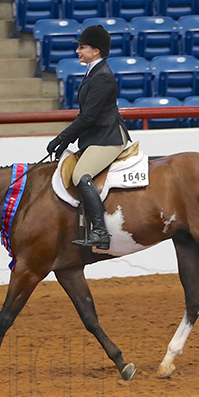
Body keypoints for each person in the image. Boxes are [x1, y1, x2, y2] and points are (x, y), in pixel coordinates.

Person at [46, 25, 131, 251]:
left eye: (82, 47)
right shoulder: (94, 71)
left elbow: (89, 116)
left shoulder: (102, 76)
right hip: (97, 134)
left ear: (96, 51)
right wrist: (66, 140)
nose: (78, 51)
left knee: (81, 176)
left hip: (108, 136)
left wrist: (62, 138)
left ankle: (101, 232)